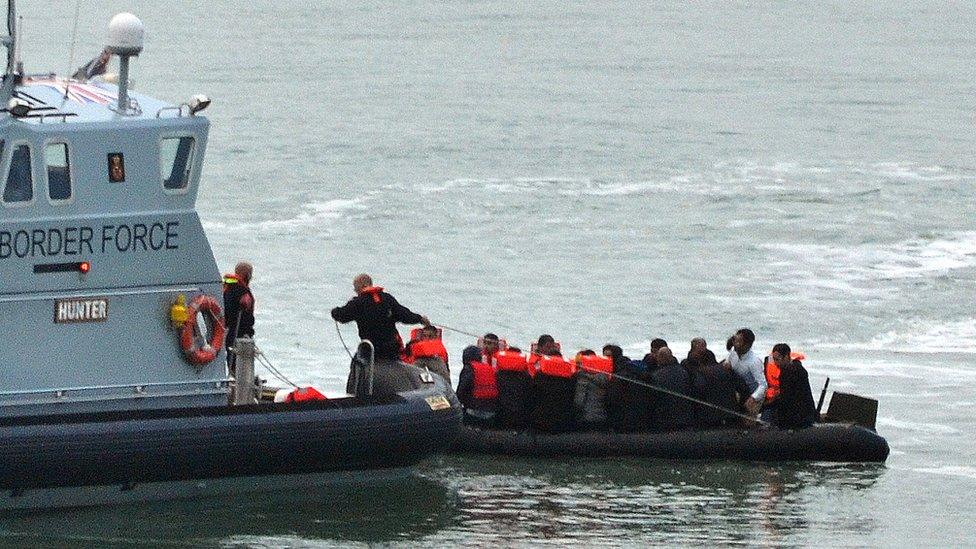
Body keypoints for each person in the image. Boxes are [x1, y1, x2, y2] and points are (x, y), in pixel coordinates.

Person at [331, 274, 430, 362]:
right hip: (391, 349)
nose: (355, 291)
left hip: (371, 350)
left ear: (361, 286)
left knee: (356, 362)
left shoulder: (357, 303)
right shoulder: (387, 299)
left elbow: (342, 316)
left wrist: (334, 311)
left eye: (355, 288)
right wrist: (420, 319)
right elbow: (405, 315)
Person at [682, 338, 751, 427]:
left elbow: (692, 393)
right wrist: (741, 409)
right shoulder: (725, 370)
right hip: (730, 416)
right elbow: (744, 389)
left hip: (705, 419)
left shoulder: (693, 372)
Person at [605, 344, 655, 432]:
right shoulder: (636, 371)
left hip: (624, 418)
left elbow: (612, 398)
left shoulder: (619, 375)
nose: (606, 359)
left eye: (608, 356)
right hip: (640, 418)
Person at [767, 343, 817, 429]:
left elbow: (787, 397)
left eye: (777, 360)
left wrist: (767, 405)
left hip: (800, 416)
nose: (775, 363)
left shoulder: (793, 371)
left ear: (786, 357)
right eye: (774, 360)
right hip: (797, 412)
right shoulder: (788, 369)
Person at [722, 328, 767, 416]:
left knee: (748, 422)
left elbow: (763, 385)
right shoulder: (733, 353)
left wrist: (753, 398)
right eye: (735, 340)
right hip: (738, 389)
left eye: (739, 342)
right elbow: (727, 361)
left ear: (747, 345)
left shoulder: (754, 361)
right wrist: (726, 364)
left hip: (753, 393)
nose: (735, 344)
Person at [529, 352, 577, 432]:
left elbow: (532, 398)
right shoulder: (570, 379)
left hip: (541, 422)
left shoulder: (539, 376)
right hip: (564, 423)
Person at [650, 347, 695, 429]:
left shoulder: (656, 376)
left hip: (665, 417)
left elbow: (654, 397)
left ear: (660, 358)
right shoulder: (683, 372)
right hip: (685, 415)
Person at [223, 261, 255, 376]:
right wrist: (248, 332)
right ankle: (240, 382)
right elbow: (246, 316)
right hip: (240, 333)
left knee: (231, 357)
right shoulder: (242, 291)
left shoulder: (227, 288)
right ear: (247, 275)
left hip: (228, 331)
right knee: (240, 361)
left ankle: (233, 377)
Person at [456, 346, 498, 426]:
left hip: (473, 412)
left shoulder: (468, 369)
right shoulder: (490, 369)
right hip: (492, 413)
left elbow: (461, 391)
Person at [574, 350, 610, 429]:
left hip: (587, 418)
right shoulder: (605, 377)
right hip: (603, 417)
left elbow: (579, 402)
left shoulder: (583, 379)